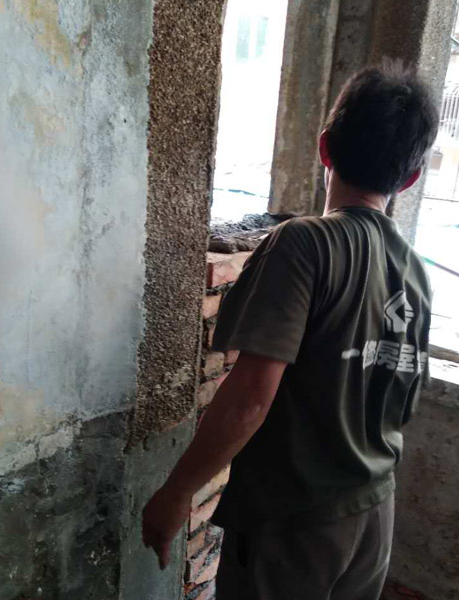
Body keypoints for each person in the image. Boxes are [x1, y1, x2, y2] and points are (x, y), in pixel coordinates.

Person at [142, 62, 439, 600]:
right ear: (411, 177)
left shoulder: (305, 243)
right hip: (374, 514)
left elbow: (250, 399)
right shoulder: (416, 272)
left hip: (297, 523)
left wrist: (177, 491)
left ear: (325, 147)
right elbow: (402, 400)